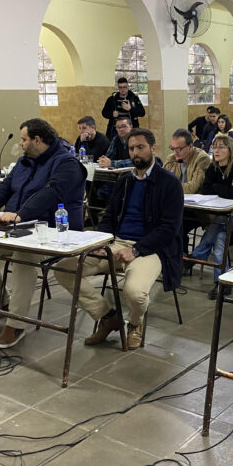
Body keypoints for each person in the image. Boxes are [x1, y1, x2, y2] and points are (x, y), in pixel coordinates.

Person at [54, 128, 183, 350]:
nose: (135, 153)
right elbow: (109, 217)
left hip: (150, 248)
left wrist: (136, 250)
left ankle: (135, 324)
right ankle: (107, 316)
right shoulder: (125, 181)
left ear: (153, 148)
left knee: (133, 292)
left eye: (140, 147)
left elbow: (169, 229)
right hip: (116, 244)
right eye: (132, 148)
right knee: (64, 269)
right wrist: (100, 243)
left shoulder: (169, 183)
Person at [0, 118, 86, 348]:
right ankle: (0, 302)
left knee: (23, 256)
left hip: (52, 234)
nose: (20, 144)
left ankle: (16, 324)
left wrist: (19, 214)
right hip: (18, 228)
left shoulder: (66, 163)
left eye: (24, 139)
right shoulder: (24, 163)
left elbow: (52, 193)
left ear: (37, 140)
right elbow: (4, 188)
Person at [188, 134, 233, 299]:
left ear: (230, 149)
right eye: (214, 147)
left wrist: (217, 188)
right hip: (223, 215)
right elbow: (206, 190)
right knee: (220, 236)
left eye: (221, 147)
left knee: (219, 227)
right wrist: (224, 189)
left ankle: (194, 258)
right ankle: (221, 283)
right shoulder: (213, 167)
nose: (216, 151)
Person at [163, 128, 211, 195]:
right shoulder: (170, 159)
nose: (175, 152)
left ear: (190, 146)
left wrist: (169, 186)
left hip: (192, 204)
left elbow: (193, 188)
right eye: (173, 148)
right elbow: (161, 183)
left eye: (179, 148)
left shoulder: (202, 158)